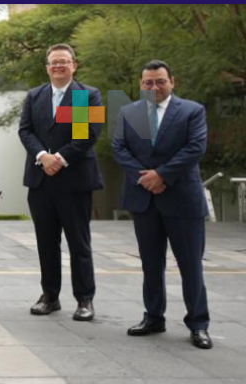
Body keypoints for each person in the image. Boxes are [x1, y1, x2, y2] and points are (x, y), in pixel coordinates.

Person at [113, 60, 212, 349]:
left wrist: (162, 175)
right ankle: (153, 317)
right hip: (144, 199)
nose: (154, 87)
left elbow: (196, 147)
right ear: (141, 84)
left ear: (172, 81)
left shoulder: (192, 111)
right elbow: (120, 148)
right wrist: (145, 178)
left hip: (182, 199)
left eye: (159, 81)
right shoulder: (129, 112)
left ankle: (198, 323)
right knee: (151, 264)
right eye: (148, 83)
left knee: (191, 265)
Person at [18, 43, 103, 321]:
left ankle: (84, 299)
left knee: (79, 243)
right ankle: (50, 296)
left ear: (74, 65)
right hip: (41, 181)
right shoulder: (34, 96)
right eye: (54, 62)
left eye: (64, 61)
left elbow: (87, 134)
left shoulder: (86, 95)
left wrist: (60, 159)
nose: (58, 66)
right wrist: (43, 156)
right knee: (46, 243)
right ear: (47, 67)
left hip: (74, 181)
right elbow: (26, 131)